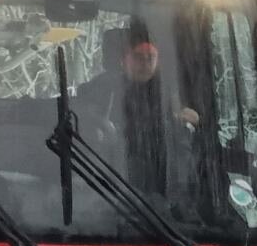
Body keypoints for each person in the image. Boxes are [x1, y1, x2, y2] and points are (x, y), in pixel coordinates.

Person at [77, 22, 199, 193]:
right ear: (123, 59)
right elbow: (86, 132)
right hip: (112, 182)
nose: (145, 63)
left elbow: (182, 143)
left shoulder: (169, 93)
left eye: (151, 57)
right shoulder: (100, 90)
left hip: (162, 183)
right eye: (138, 57)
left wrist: (191, 121)